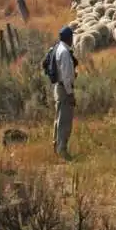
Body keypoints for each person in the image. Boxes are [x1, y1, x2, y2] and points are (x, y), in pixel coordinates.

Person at [51, 26, 77, 160]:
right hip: (64, 89)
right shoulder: (65, 53)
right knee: (65, 121)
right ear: (69, 38)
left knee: (58, 119)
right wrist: (70, 93)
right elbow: (67, 76)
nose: (73, 39)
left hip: (58, 88)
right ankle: (62, 150)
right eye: (72, 37)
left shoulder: (57, 48)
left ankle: (56, 146)